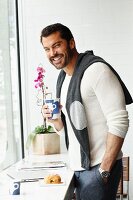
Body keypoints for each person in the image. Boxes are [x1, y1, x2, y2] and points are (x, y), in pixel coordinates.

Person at [40, 23, 132, 200]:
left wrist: (104, 171)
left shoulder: (96, 70)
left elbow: (119, 120)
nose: (52, 53)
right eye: (47, 49)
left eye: (57, 45)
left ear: (71, 43)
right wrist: (55, 121)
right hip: (78, 170)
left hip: (99, 169)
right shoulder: (64, 79)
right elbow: (72, 132)